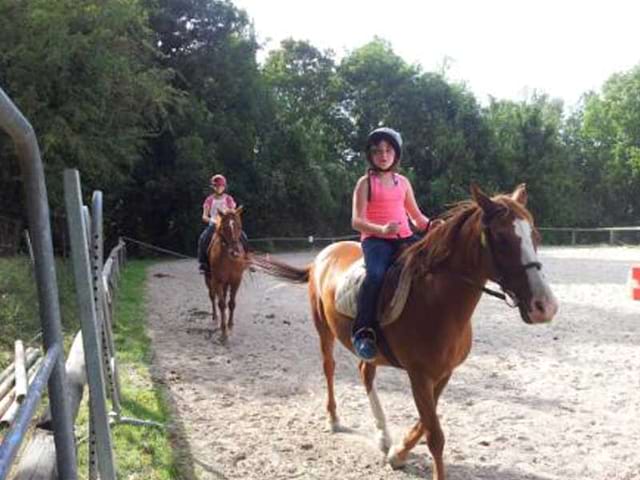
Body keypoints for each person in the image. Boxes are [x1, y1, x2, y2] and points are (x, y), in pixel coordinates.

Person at [350, 127, 439, 361]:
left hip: (405, 237)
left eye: (388, 150)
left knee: (432, 266)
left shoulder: (403, 183)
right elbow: (356, 221)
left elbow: (417, 217)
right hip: (376, 241)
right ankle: (363, 332)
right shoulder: (365, 183)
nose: (383, 155)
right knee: (376, 275)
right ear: (371, 155)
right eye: (378, 151)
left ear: (396, 155)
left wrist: (432, 226)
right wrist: (381, 229)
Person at [197, 174, 249, 273]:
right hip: (214, 225)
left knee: (243, 236)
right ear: (213, 187)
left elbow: (233, 213)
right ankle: (203, 263)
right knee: (203, 238)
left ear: (224, 187)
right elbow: (204, 216)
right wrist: (213, 220)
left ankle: (246, 258)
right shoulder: (209, 200)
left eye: (221, 186)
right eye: (217, 186)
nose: (219, 188)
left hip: (227, 224)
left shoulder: (228, 199)